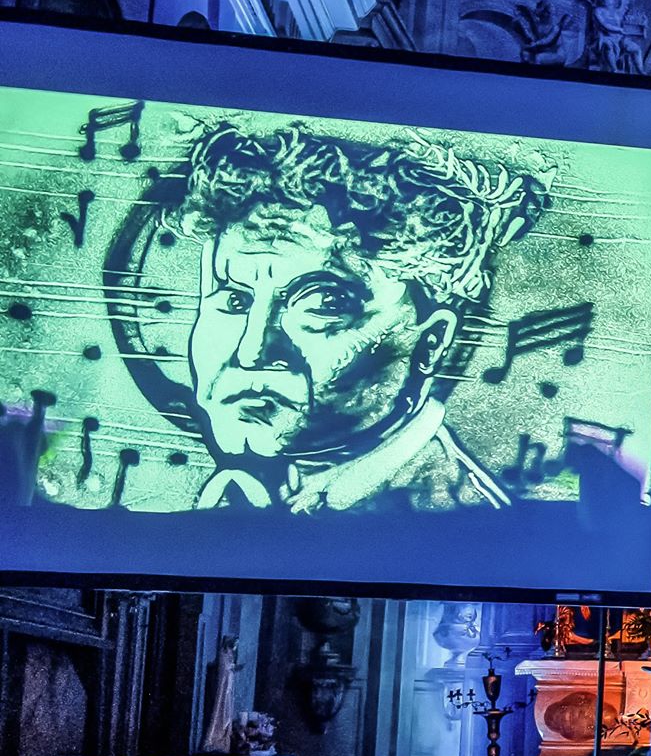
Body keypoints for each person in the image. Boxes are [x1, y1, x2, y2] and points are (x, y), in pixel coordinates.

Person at [171, 123, 546, 512]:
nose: (251, 352)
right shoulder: (242, 499)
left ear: (429, 345)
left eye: (323, 304)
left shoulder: (458, 528)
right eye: (235, 302)